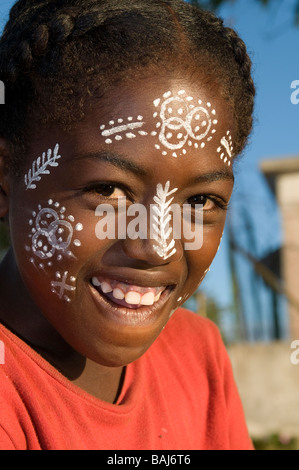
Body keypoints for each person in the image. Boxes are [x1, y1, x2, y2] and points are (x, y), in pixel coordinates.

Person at [0, 0, 255, 450]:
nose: (158, 247)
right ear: (5, 180)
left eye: (200, 200)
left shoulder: (197, 352)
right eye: (108, 191)